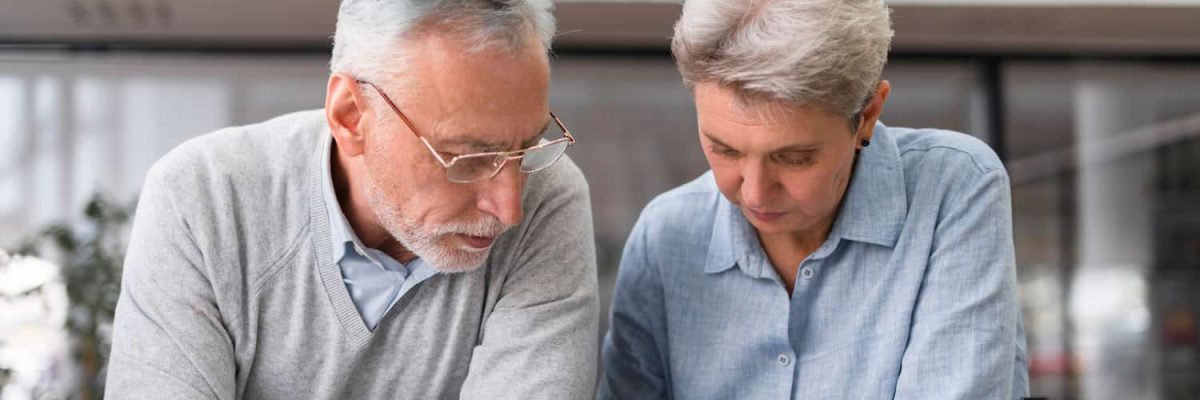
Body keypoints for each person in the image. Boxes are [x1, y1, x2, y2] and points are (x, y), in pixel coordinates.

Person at [105, 1, 598, 398]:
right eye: (467, 158)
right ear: (350, 116)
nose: (509, 208)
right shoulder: (204, 198)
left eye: (527, 148)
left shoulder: (548, 199)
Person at [598, 0, 1029, 398]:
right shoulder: (665, 235)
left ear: (868, 116)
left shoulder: (953, 189)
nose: (753, 192)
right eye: (725, 150)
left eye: (794, 158)